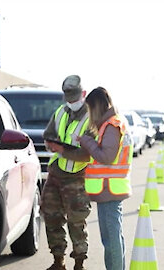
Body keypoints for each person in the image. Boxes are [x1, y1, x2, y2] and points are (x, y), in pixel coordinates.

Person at [77, 87, 133, 270]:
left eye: (91, 109)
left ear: (98, 106)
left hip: (109, 189)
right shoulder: (113, 123)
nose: (90, 114)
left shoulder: (112, 125)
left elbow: (107, 157)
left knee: (111, 240)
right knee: (113, 238)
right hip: (110, 189)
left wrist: (87, 142)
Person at [41, 75, 93, 270]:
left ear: (83, 94)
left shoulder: (91, 118)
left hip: (77, 177)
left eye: (74, 98)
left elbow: (87, 155)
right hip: (56, 174)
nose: (71, 103)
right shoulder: (61, 112)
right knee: (51, 216)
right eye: (68, 99)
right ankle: (58, 261)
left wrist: (62, 150)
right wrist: (51, 144)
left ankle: (79, 264)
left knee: (76, 221)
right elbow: (48, 135)